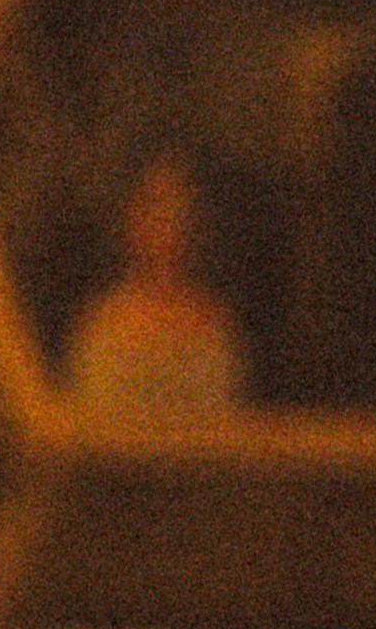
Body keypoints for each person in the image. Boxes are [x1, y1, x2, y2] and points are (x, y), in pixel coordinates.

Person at [64, 149, 246, 429]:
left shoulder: (214, 324)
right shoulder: (103, 324)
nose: (167, 220)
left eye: (178, 207)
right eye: (155, 206)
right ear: (132, 216)